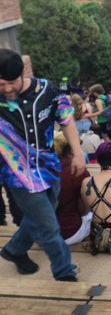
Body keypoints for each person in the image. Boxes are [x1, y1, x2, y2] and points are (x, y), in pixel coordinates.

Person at [0, 48, 85, 281]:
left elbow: (66, 119)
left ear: (22, 75)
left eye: (11, 83)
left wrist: (78, 153)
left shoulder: (47, 90)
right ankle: (64, 272)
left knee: (42, 214)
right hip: (17, 174)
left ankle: (14, 249)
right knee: (48, 226)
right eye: (1, 84)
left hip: (48, 168)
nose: (6, 89)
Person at [53, 132, 93, 246]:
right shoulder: (79, 171)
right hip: (69, 233)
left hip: (43, 235)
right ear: (72, 150)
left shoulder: (43, 167)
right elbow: (83, 209)